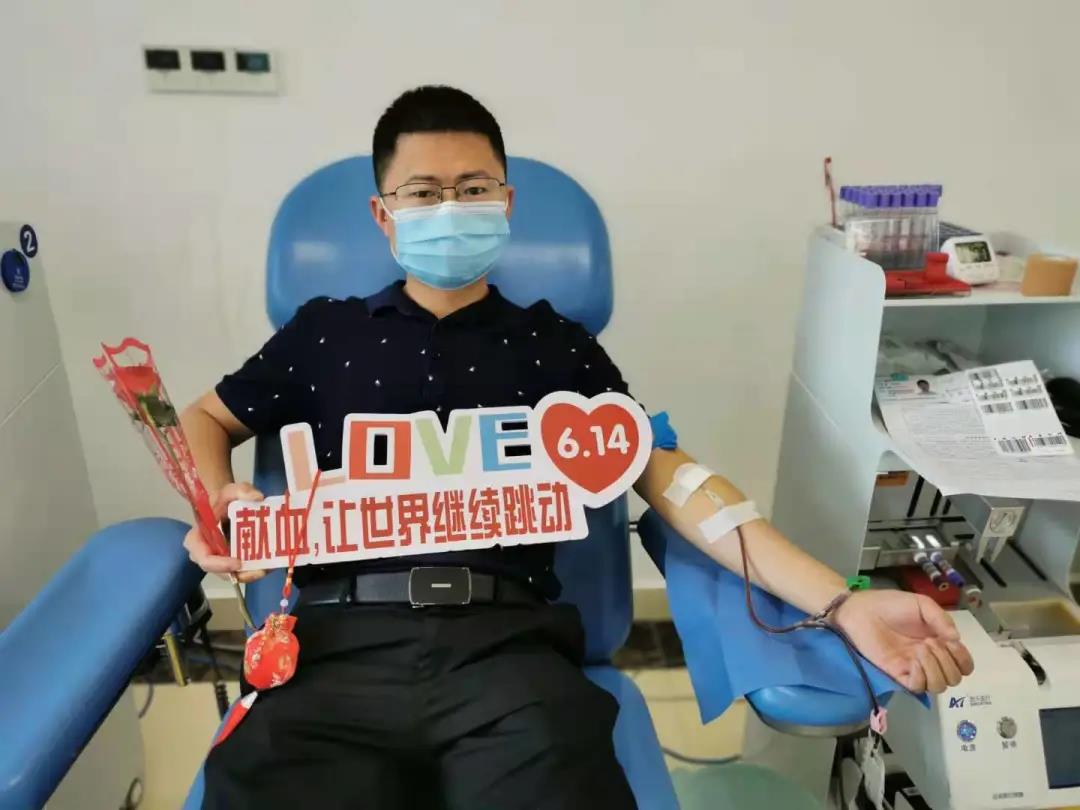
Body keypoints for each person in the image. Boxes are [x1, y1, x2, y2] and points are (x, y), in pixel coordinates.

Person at [182, 86, 973, 810]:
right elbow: (206, 418)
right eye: (423, 192)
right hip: (333, 651)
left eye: (473, 189)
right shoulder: (325, 335)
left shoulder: (556, 349)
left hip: (508, 658)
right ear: (384, 215)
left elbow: (673, 481)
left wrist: (842, 600)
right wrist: (217, 497)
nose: (449, 208)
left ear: (506, 202)